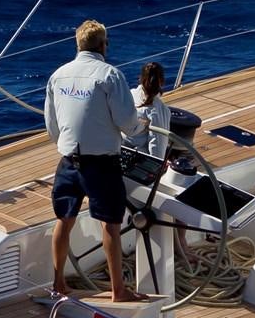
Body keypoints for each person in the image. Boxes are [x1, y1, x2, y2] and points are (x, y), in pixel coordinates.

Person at [44, 19, 145, 302]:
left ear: (78, 45)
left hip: (67, 162)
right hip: (101, 165)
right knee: (110, 225)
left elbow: (52, 126)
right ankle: (118, 290)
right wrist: (141, 127)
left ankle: (58, 283)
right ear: (103, 45)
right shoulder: (110, 75)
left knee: (64, 221)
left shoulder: (58, 76)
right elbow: (127, 121)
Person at [125, 62, 171, 161]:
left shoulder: (129, 95)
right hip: (134, 158)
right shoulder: (159, 110)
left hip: (118, 149)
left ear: (140, 78)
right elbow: (158, 148)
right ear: (162, 82)